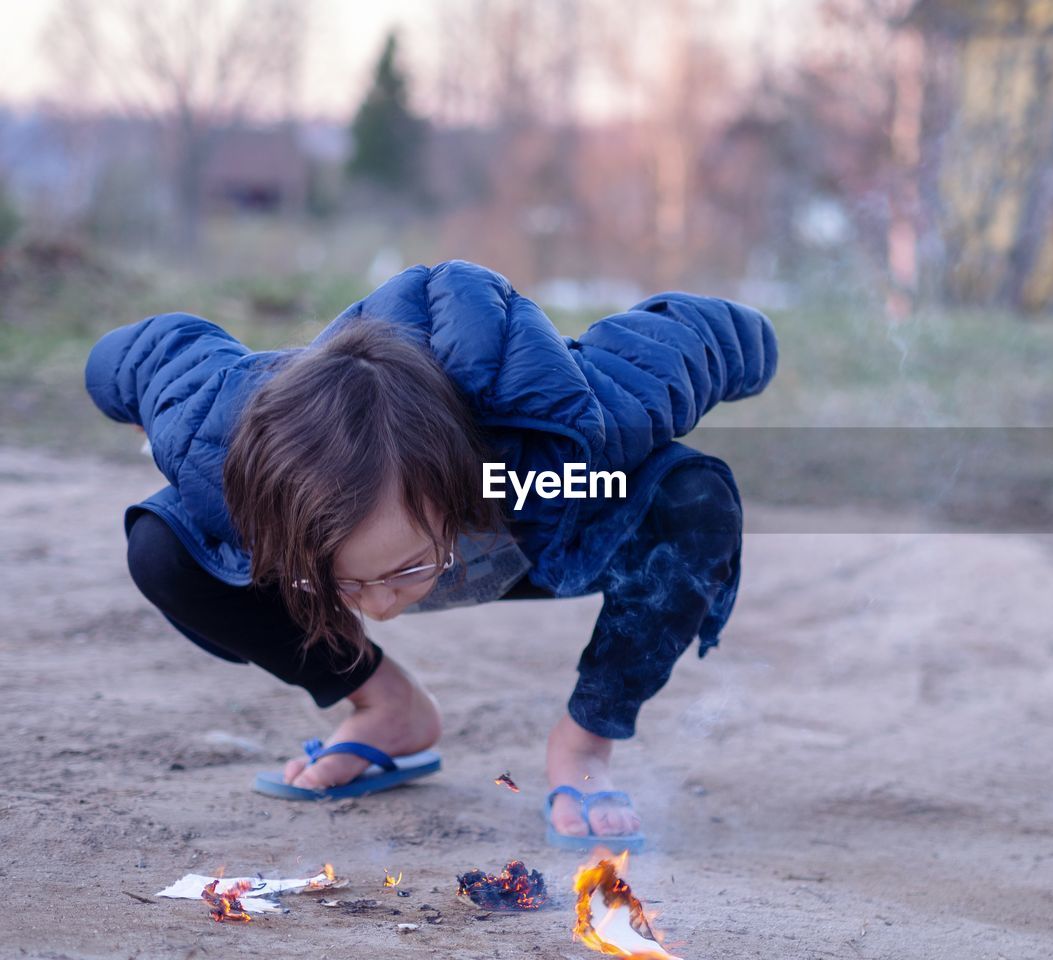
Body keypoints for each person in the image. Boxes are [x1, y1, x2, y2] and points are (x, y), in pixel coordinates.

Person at [85, 260, 777, 850]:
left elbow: (696, 338)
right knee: (164, 544)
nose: (379, 609)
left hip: (521, 515)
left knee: (695, 502)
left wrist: (759, 352)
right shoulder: (222, 442)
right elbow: (140, 358)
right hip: (374, 519)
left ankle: (582, 746)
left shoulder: (571, 435)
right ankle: (388, 707)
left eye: (399, 575)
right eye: (342, 584)